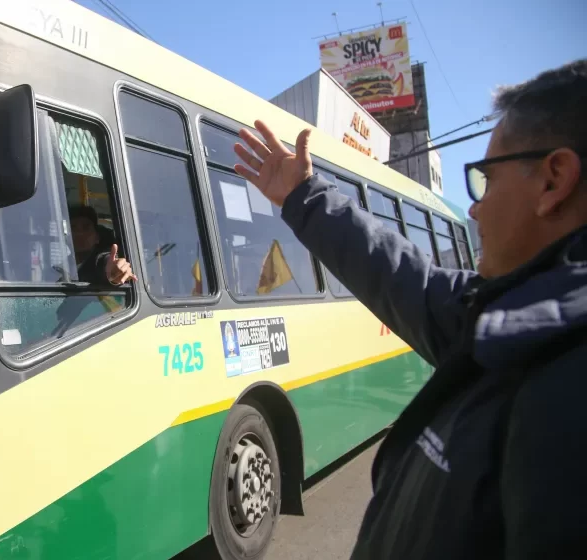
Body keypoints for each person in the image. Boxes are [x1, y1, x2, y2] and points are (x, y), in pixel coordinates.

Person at [233, 59, 587, 559]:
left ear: (553, 180)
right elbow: (401, 277)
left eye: (486, 179)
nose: (476, 209)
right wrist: (302, 198)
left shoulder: (567, 384)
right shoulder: (499, 316)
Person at [69, 205, 137, 286]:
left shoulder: (98, 261)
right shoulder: (59, 267)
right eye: (73, 228)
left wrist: (113, 272)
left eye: (86, 228)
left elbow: (105, 262)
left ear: (97, 237)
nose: (79, 233)